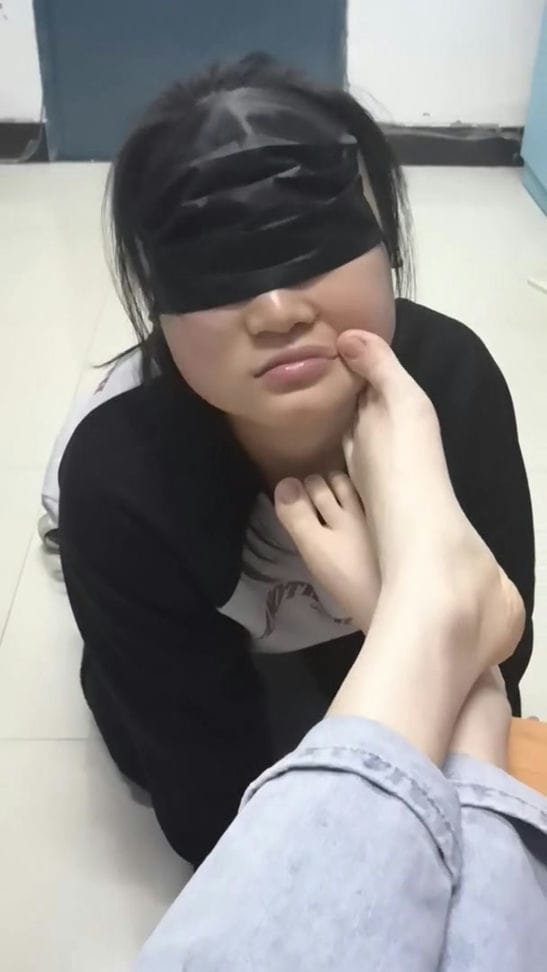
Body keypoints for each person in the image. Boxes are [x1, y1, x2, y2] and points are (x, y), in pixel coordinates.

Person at [46, 54, 535, 866]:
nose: (276, 310)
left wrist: (389, 613)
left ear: (385, 243)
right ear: (157, 301)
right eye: (212, 263)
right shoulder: (119, 482)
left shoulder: (453, 387)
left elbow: (501, 664)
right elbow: (202, 807)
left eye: (313, 238)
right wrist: (423, 623)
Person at [134, 333, 547, 971]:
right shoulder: (122, 478)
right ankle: (452, 652)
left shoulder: (457, 372)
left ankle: (426, 626)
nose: (277, 311)